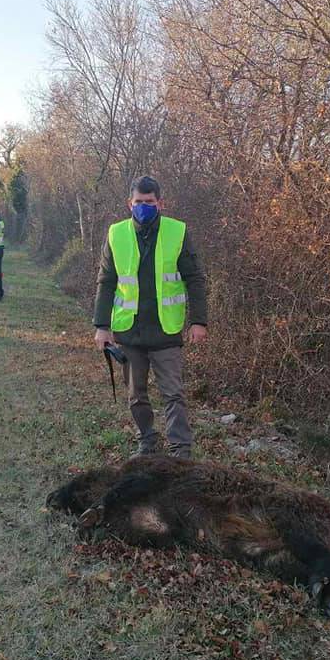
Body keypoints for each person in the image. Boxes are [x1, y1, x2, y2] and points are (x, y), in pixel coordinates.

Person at [93, 175, 207, 459]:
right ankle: (147, 441)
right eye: (139, 202)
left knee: (173, 394)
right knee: (136, 395)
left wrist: (198, 321)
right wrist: (101, 326)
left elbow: (194, 278)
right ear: (129, 203)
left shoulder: (177, 232)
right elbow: (106, 281)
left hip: (165, 330)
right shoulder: (116, 234)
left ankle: (181, 451)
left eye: (150, 202)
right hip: (129, 331)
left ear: (160, 203)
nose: (144, 206)